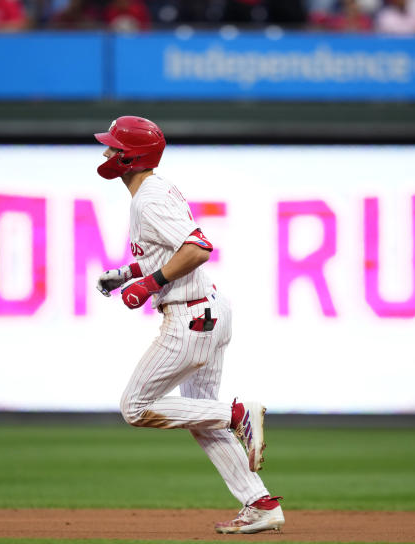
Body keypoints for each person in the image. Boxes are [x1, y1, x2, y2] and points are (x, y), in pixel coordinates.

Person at [93, 116, 284, 535]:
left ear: (131, 156)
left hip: (189, 318)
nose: (106, 153)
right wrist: (127, 273)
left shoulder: (149, 199)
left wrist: (149, 284)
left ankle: (238, 413)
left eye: (112, 146)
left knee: (135, 408)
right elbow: (168, 250)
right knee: (202, 419)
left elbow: (198, 248)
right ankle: (261, 503)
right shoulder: (153, 189)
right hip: (208, 311)